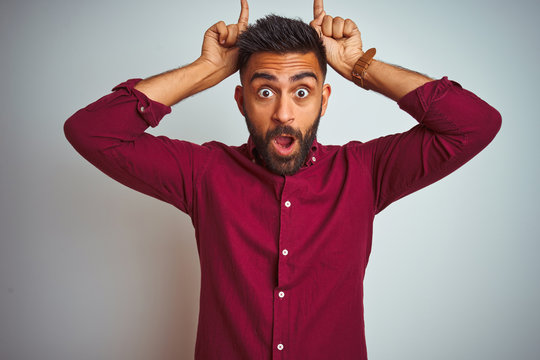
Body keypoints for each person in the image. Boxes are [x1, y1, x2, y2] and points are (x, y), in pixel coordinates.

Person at [64, 0, 501, 358]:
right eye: (265, 90)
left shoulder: (365, 171)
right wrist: (205, 70)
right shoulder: (204, 173)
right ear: (241, 100)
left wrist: (358, 66)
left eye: (302, 91)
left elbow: (474, 124)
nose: (284, 113)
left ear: (324, 100)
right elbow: (92, 132)